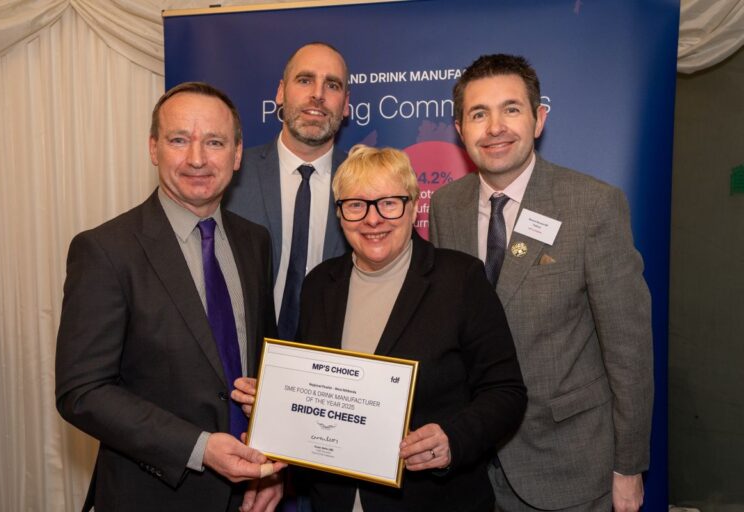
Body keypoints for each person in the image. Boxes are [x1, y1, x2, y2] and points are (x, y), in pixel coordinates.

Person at [235, 145, 527, 511]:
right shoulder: (320, 284)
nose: (373, 219)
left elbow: (506, 391)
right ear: (340, 213)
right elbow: (314, 389)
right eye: (356, 204)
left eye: (389, 202)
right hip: (335, 500)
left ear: (413, 205)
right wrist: (275, 404)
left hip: (432, 500)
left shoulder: (460, 280)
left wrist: (453, 439)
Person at [429, 54, 654, 512]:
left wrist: (628, 468)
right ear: (459, 128)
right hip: (470, 467)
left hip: (568, 468)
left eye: (511, 108)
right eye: (478, 113)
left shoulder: (592, 206)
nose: (495, 127)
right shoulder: (445, 207)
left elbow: (629, 352)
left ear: (538, 119)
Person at [55, 82, 286, 512]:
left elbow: (262, 368)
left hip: (249, 497)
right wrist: (198, 447)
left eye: (214, 142)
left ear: (237, 156)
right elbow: (82, 391)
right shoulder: (105, 250)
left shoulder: (255, 242)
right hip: (152, 496)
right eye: (179, 140)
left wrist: (270, 469)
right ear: (153, 148)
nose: (197, 158)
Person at [225, 41, 350, 342]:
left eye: (332, 85)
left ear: (346, 104)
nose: (318, 94)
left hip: (331, 370)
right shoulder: (231, 175)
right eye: (305, 80)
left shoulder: (365, 185)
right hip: (242, 364)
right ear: (281, 92)